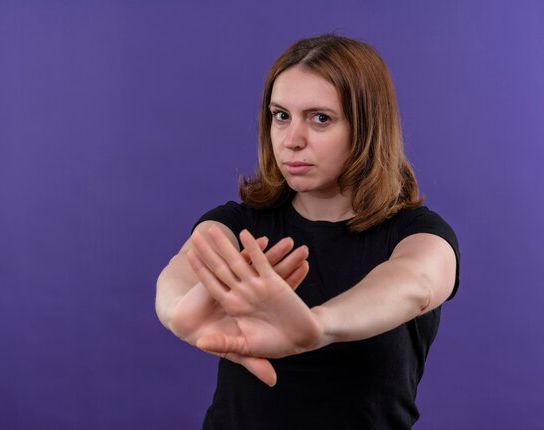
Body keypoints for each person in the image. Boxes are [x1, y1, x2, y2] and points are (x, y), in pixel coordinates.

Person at [155, 34, 460, 430]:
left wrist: (318, 326)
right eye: (281, 115)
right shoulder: (238, 224)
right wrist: (178, 313)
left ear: (367, 127)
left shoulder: (419, 234)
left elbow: (414, 283)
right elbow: (180, 273)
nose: (291, 140)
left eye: (320, 118)